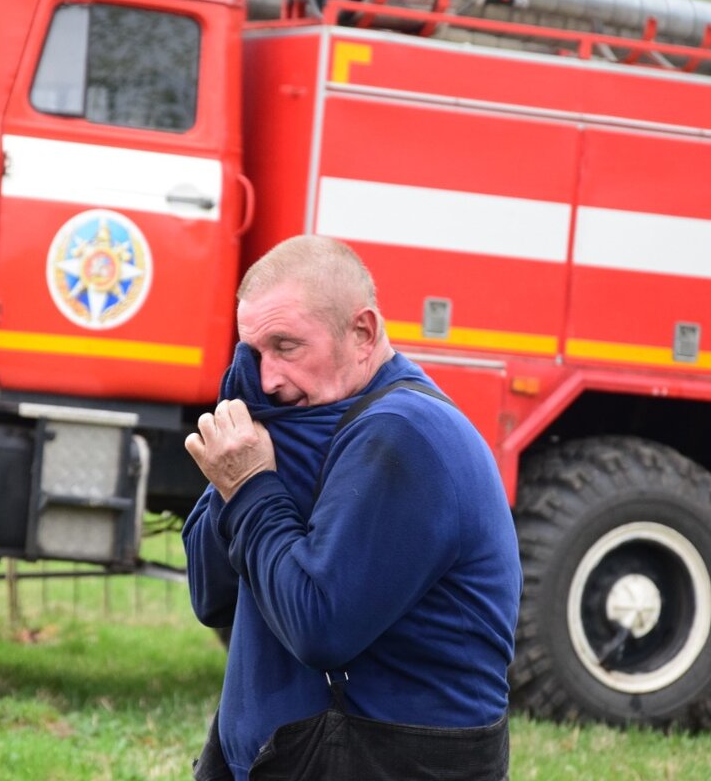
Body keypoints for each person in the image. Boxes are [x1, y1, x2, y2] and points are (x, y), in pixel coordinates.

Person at [182, 235, 522, 781]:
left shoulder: (404, 436)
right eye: (253, 352)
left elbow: (321, 626)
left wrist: (248, 487)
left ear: (363, 332)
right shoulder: (300, 421)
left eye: (287, 346)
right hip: (296, 755)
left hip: (393, 760)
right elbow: (210, 595)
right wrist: (243, 410)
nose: (268, 377)